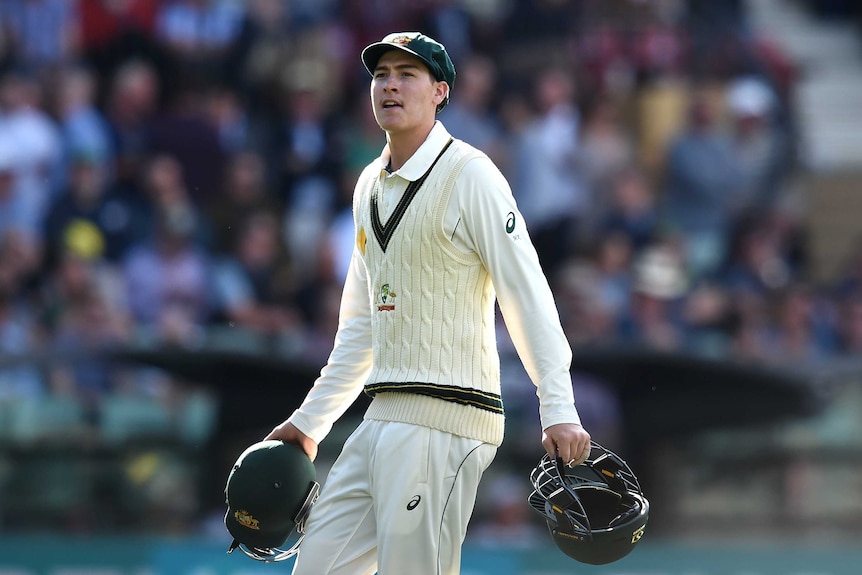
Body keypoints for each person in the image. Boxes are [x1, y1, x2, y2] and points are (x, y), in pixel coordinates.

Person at [263, 32, 591, 575]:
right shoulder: (367, 184)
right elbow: (362, 328)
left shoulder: (473, 175)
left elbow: (526, 294)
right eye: (381, 74)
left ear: (440, 92)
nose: (390, 85)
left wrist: (558, 406)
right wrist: (310, 423)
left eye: (407, 75)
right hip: (381, 416)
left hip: (450, 419)